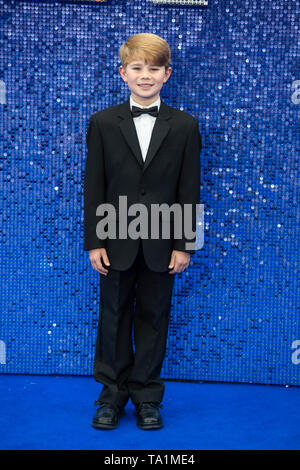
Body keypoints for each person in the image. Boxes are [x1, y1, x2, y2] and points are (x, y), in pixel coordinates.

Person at [84, 33, 201, 430]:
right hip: (114, 238)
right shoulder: (102, 122)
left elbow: (190, 187)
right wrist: (95, 241)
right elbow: (94, 184)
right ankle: (111, 397)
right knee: (113, 317)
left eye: (154, 69)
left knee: (154, 318)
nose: (145, 76)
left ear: (167, 74)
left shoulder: (185, 126)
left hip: (162, 243)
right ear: (123, 73)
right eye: (137, 68)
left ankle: (148, 396)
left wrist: (184, 244)